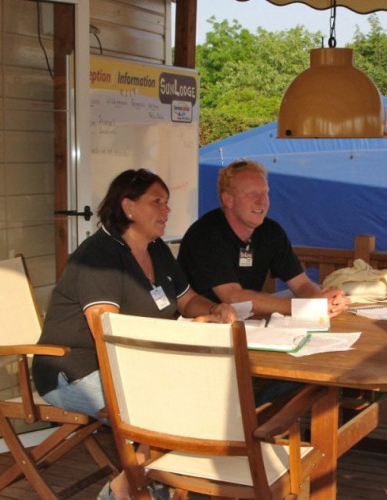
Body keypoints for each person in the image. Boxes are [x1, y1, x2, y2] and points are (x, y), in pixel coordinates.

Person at [32, 169, 236, 500]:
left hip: (138, 367)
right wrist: (181, 333)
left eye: (167, 202)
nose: (167, 209)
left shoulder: (157, 250)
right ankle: (129, 489)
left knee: (202, 396)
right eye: (157, 202)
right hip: (77, 371)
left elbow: (186, 300)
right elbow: (108, 332)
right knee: (172, 409)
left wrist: (214, 310)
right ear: (128, 207)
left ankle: (133, 484)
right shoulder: (98, 257)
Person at [178, 159, 349, 317]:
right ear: (228, 200)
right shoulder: (206, 234)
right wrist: (303, 308)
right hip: (202, 325)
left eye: (265, 193)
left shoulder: (271, 231)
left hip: (247, 321)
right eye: (252, 194)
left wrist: (321, 301)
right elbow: (232, 296)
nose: (261, 201)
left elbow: (302, 284)